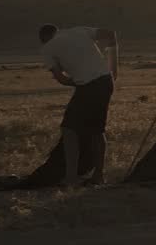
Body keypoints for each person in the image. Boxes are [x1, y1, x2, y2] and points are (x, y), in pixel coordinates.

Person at [39, 24, 119, 186]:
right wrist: (113, 68)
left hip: (88, 86)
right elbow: (111, 33)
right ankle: (98, 175)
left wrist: (77, 82)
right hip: (106, 81)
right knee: (97, 130)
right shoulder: (79, 31)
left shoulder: (47, 48)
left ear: (44, 39)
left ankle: (71, 177)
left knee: (69, 129)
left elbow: (61, 79)